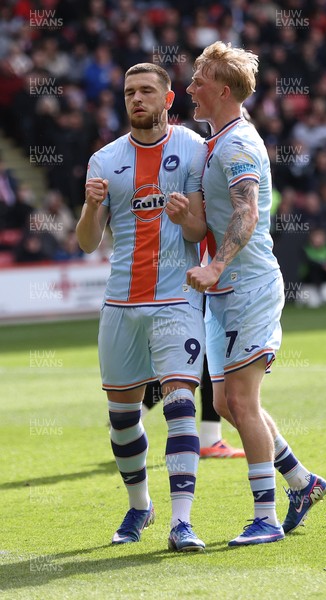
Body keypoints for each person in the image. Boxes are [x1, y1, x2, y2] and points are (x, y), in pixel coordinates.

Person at [186, 41, 326, 546]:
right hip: (226, 290)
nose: (189, 89)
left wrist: (219, 262)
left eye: (199, 81)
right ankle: (303, 482)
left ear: (223, 91)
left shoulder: (238, 144)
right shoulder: (217, 141)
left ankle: (265, 518)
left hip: (246, 285)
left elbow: (248, 212)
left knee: (242, 403)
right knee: (225, 403)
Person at [76, 63, 208, 552]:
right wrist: (91, 208)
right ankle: (139, 507)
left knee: (179, 405)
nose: (137, 99)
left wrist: (186, 216)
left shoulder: (193, 148)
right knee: (122, 417)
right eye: (130, 92)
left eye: (147, 91)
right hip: (121, 302)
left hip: (176, 298)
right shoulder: (104, 160)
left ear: (167, 99)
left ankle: (182, 522)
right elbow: (88, 243)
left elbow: (198, 232)